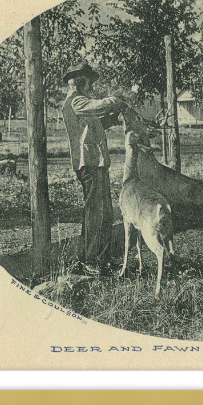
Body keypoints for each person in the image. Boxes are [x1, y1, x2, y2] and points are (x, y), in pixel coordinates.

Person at [61, 62, 127, 271]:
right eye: (90, 82)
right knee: (95, 213)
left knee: (104, 212)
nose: (92, 87)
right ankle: (91, 260)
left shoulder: (81, 104)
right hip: (88, 163)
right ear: (81, 82)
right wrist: (117, 101)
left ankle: (102, 258)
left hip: (95, 163)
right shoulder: (76, 101)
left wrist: (112, 119)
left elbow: (93, 125)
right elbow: (99, 106)